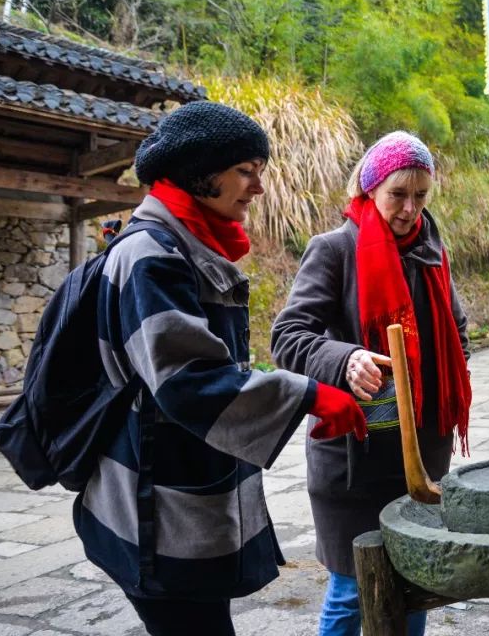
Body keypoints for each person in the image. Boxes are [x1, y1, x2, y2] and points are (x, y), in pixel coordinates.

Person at [75, 101, 368, 636]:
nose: (257, 187)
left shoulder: (185, 247)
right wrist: (310, 394)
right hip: (156, 513)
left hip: (184, 495)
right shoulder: (150, 254)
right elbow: (188, 380)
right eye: (245, 171)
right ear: (199, 170)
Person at [271, 131, 472, 636]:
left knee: (413, 581)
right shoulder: (335, 250)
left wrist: (451, 370)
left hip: (421, 453)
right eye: (397, 195)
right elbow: (288, 336)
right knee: (352, 589)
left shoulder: (431, 254)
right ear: (370, 189)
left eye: (420, 196)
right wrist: (346, 359)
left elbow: (457, 325)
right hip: (354, 456)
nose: (409, 209)